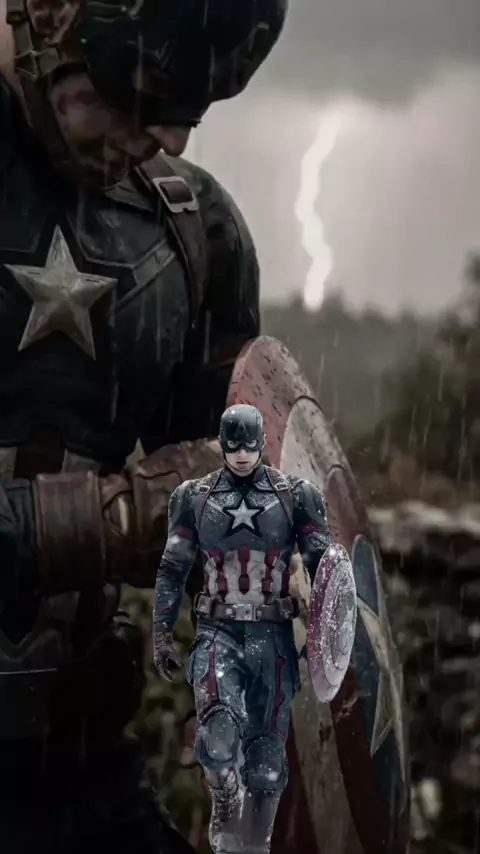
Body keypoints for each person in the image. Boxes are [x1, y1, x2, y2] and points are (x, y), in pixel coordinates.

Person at [0, 0, 288, 850]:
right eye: (144, 95)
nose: (171, 136)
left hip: (77, 778)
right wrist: (116, 522)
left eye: (193, 106)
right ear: (52, 19)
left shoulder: (193, 234)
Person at [153, 404, 332, 854]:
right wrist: (162, 633)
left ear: (261, 443)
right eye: (232, 445)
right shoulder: (194, 497)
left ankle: (254, 843)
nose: (240, 455)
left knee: (267, 765)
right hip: (219, 633)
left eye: (248, 445)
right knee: (217, 743)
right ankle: (226, 798)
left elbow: (326, 575)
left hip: (273, 639)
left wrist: (322, 636)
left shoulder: (297, 497)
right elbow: (173, 569)